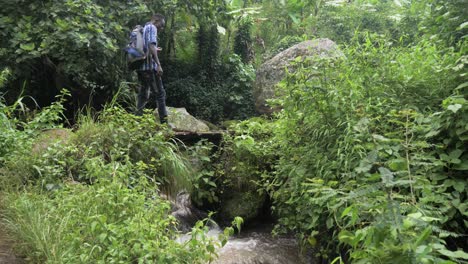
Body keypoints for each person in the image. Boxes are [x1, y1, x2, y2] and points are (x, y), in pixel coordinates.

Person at [136, 14, 168, 124]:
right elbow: (150, 45)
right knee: (160, 94)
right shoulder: (151, 27)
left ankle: (137, 121)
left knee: (143, 94)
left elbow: (148, 47)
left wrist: (154, 49)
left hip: (141, 67)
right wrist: (158, 65)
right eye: (161, 25)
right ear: (156, 20)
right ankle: (164, 123)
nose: (161, 28)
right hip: (150, 67)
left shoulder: (145, 28)